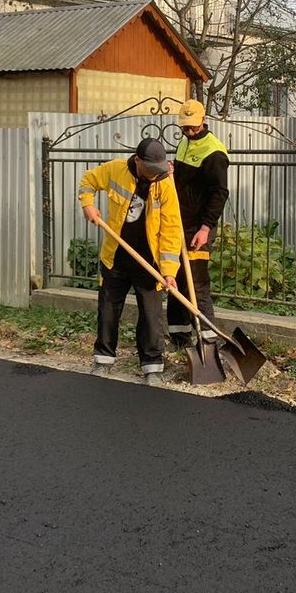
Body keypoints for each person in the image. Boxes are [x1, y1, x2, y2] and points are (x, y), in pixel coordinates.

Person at [79, 138, 184, 386]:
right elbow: (88, 181)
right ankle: (103, 360)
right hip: (116, 257)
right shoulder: (115, 170)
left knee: (151, 315)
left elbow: (171, 230)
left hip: (150, 263)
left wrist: (169, 272)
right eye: (150, 170)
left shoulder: (165, 184)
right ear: (138, 161)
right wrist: (88, 205)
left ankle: (152, 366)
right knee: (108, 309)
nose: (154, 175)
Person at [166, 98, 230, 349]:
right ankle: (180, 339)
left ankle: (208, 340)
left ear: (204, 121)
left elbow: (220, 193)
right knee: (175, 279)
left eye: (193, 127)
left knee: (197, 282)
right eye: (185, 128)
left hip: (199, 228)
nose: (189, 132)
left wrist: (205, 229)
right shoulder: (185, 143)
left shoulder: (214, 152)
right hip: (179, 223)